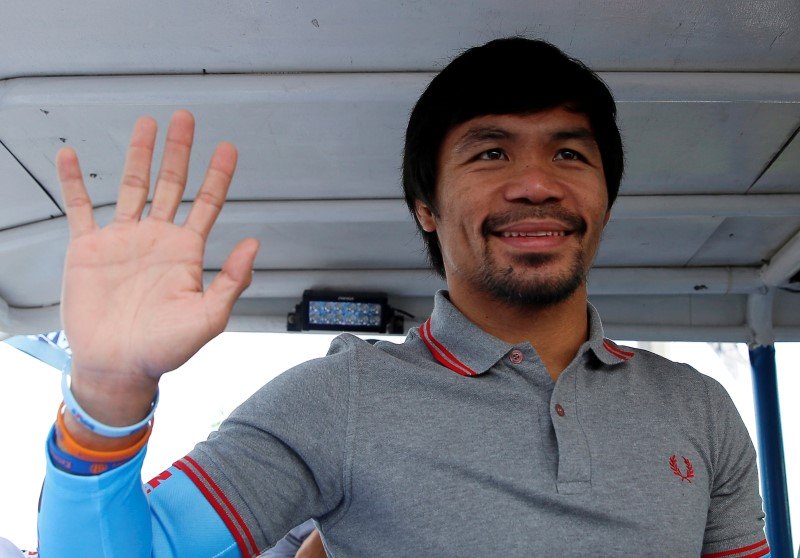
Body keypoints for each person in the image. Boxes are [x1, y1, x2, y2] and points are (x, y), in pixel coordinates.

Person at [37, 38, 769, 557]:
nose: (537, 182)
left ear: (605, 198)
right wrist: (106, 390)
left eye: (570, 153)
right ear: (425, 204)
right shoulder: (337, 399)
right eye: (490, 152)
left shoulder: (698, 408)